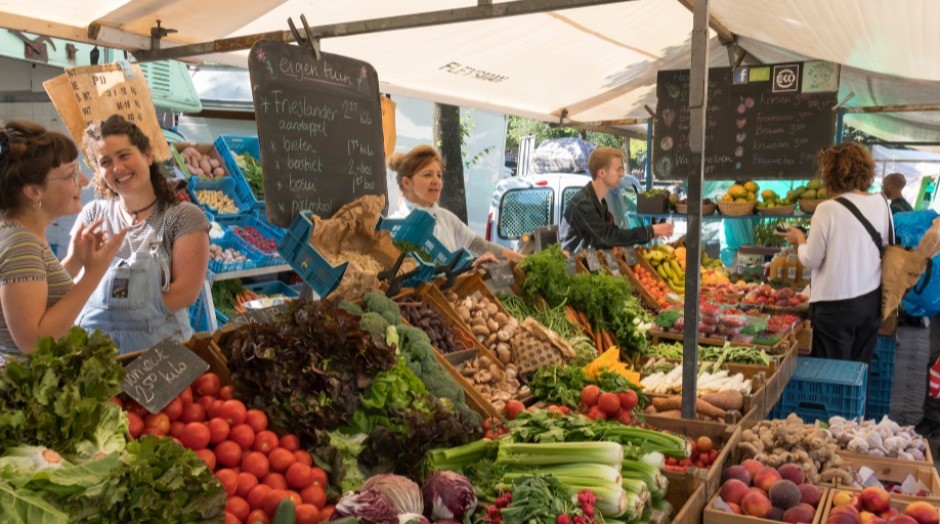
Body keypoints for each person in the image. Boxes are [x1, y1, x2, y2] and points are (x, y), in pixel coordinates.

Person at [71, 115, 210, 354]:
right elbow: (70, 279)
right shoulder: (93, 215)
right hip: (95, 356)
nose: (118, 168)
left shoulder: (182, 217)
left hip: (160, 357)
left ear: (147, 155)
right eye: (105, 162)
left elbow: (186, 293)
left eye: (124, 155)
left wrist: (111, 316)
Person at [0, 120, 126, 357]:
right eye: (72, 174)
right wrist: (92, 275)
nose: (84, 181)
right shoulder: (21, 245)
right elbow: (33, 341)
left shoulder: (20, 235)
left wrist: (74, 261)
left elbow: (36, 296)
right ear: (34, 191)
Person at [778, 142, 893, 363]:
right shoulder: (882, 203)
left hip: (835, 308)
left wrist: (800, 240)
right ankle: (858, 399)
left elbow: (811, 259)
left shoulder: (827, 209)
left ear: (830, 173)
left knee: (833, 373)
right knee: (858, 372)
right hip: (871, 303)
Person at [388, 145, 522, 265]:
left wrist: (525, 261)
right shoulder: (392, 228)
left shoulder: (446, 218)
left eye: (439, 175)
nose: (436, 181)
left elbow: (480, 246)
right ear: (407, 183)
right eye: (428, 175)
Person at [561, 147, 673, 252]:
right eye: (618, 169)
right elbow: (608, 237)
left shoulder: (600, 202)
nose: (622, 174)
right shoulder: (583, 204)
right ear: (601, 173)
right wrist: (651, 231)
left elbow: (612, 235)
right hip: (574, 270)